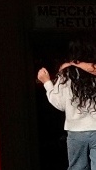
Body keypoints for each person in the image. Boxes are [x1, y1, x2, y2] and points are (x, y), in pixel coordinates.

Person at [38, 41, 96, 170]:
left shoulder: (66, 75)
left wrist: (47, 82)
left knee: (77, 167)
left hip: (75, 131)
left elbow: (59, 104)